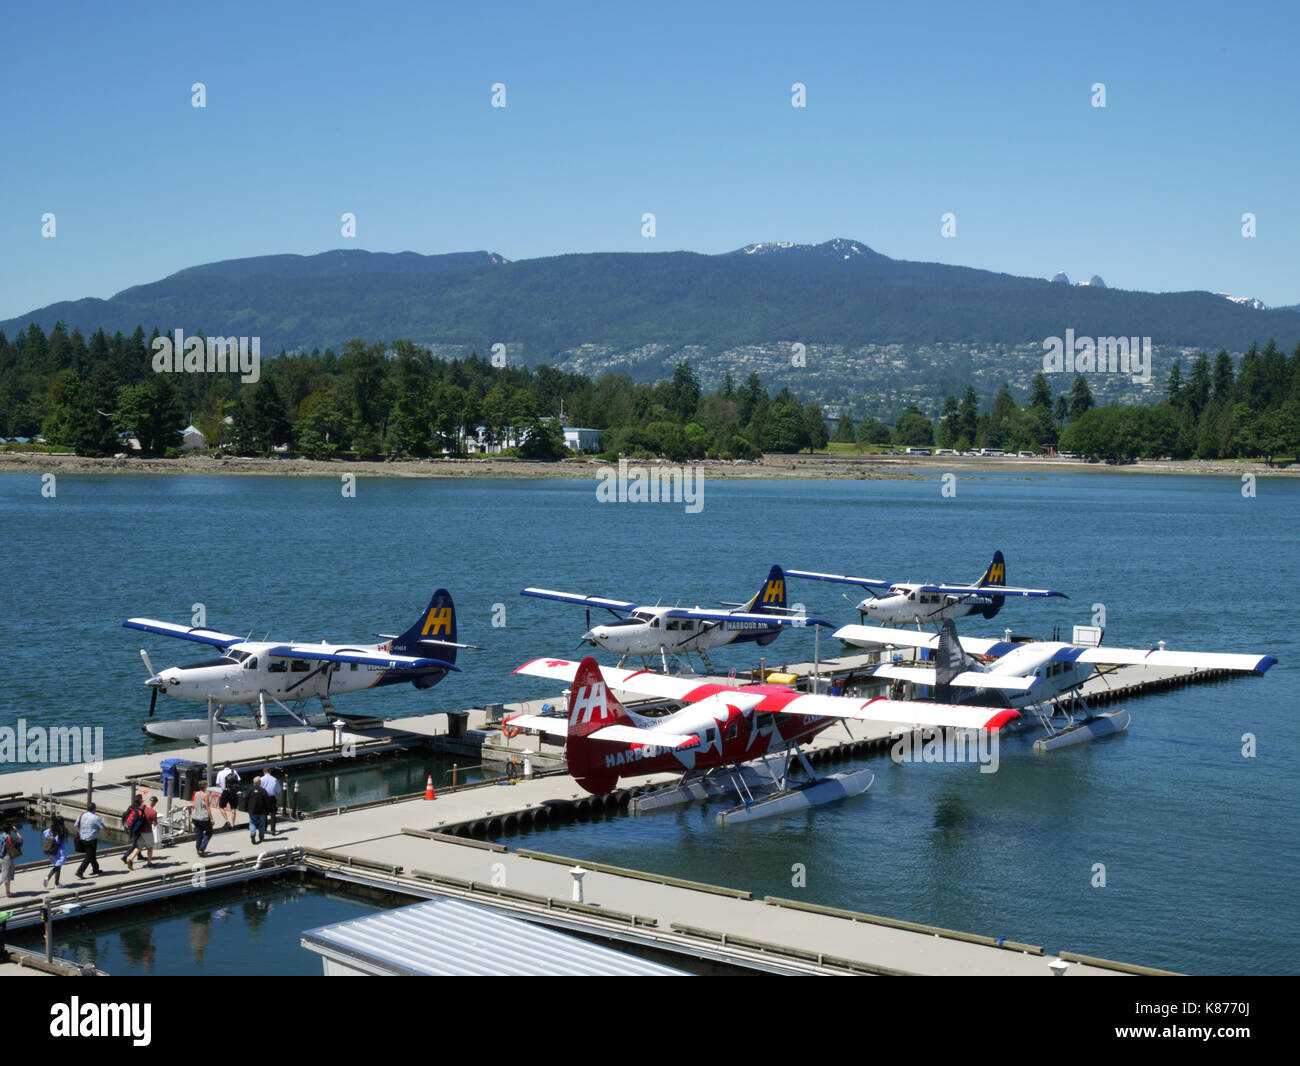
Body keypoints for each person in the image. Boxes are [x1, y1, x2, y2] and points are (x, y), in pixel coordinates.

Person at [74, 804, 104, 878]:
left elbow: (76, 825)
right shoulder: (96, 818)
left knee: (92, 855)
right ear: (94, 809)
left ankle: (96, 869)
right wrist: (109, 832)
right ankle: (80, 871)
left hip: (82, 838)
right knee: (89, 856)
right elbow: (102, 827)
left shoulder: (81, 815)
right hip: (91, 839)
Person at [41, 816, 68, 888]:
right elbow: (61, 841)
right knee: (58, 867)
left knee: (56, 866)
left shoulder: (50, 830)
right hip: (59, 851)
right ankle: (55, 883)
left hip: (51, 851)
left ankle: (50, 879)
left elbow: (45, 834)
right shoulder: (62, 831)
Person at [121, 795, 144, 871]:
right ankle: (125, 856)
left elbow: (124, 814)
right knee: (135, 844)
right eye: (141, 799)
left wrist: (125, 826)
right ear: (140, 800)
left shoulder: (131, 806)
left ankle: (139, 855)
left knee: (139, 842)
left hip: (130, 827)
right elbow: (138, 818)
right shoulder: (139, 807)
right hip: (135, 828)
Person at [215, 763, 240, 830]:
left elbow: (217, 784)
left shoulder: (220, 773)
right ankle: (233, 824)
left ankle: (227, 821)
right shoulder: (234, 771)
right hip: (233, 792)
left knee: (221, 806)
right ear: (230, 765)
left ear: (224, 766)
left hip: (225, 791)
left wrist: (222, 785)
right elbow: (239, 780)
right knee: (233, 808)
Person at [1, 823, 23, 897]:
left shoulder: (1, 836)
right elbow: (21, 840)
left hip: (1, 857)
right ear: (10, 829)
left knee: (7, 876)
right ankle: (8, 893)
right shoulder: (10, 837)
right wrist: (16, 832)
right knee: (5, 876)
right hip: (7, 858)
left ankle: (8, 892)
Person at [257, 768, 281, 834]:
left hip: (264, 798)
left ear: (264, 772)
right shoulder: (275, 779)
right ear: (270, 772)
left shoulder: (261, 779)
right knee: (273, 814)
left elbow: (258, 789)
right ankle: (273, 829)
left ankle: (264, 829)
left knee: (264, 814)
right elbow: (278, 790)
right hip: (272, 797)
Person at [247, 779, 270, 845]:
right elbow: (267, 801)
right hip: (261, 811)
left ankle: (253, 833)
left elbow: (245, 799)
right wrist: (268, 810)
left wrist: (246, 808)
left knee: (252, 823)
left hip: (252, 810)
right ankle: (261, 837)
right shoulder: (263, 790)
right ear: (259, 783)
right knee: (262, 824)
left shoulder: (250, 790)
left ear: (253, 783)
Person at [191, 789, 213, 857]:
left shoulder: (196, 794)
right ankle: (201, 849)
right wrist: (211, 818)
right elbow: (207, 807)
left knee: (199, 834)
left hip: (195, 817)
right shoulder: (205, 795)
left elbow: (193, 805)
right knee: (209, 832)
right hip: (203, 817)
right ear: (205, 787)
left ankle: (198, 850)